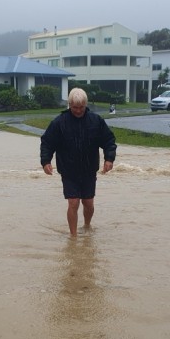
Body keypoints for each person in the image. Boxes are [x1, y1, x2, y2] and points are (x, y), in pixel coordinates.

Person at [40, 88, 117, 237]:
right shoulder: (59, 122)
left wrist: (109, 158)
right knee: (73, 202)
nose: (78, 111)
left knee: (88, 203)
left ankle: (87, 225)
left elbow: (109, 140)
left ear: (85, 105)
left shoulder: (96, 121)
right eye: (74, 107)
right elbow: (47, 142)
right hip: (68, 170)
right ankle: (73, 237)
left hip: (89, 169)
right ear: (69, 105)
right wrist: (45, 161)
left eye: (81, 107)